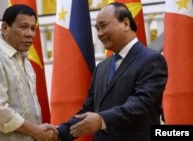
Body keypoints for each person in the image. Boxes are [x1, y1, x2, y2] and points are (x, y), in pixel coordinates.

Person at [55, 2, 168, 141]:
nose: (99, 34)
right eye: (97, 28)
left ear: (126, 24)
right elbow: (88, 110)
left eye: (103, 26)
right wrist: (58, 132)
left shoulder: (152, 60)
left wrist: (102, 120)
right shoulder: (101, 67)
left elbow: (140, 103)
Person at [0, 4, 57, 141]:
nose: (30, 33)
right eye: (23, 27)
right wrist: (37, 131)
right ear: (5, 28)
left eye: (33, 28)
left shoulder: (26, 63)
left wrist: (41, 130)